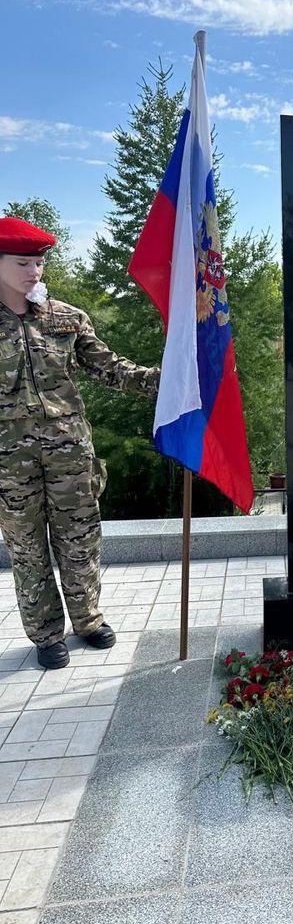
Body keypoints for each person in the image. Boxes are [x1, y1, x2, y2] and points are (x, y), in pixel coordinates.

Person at [0, 217, 160, 669]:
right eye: (22, 262)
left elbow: (111, 368)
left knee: (80, 540)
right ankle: (45, 634)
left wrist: (165, 382)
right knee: (28, 549)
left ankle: (87, 620)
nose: (35, 271)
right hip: (10, 466)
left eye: (39, 262)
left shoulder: (65, 318)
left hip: (70, 455)